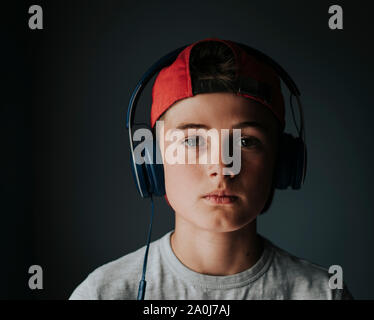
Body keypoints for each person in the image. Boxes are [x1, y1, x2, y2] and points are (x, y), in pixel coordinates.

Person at [69, 38, 353, 300]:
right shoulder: (102, 294)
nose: (222, 167)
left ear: (281, 161)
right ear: (153, 160)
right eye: (193, 140)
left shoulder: (323, 294)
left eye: (245, 141)